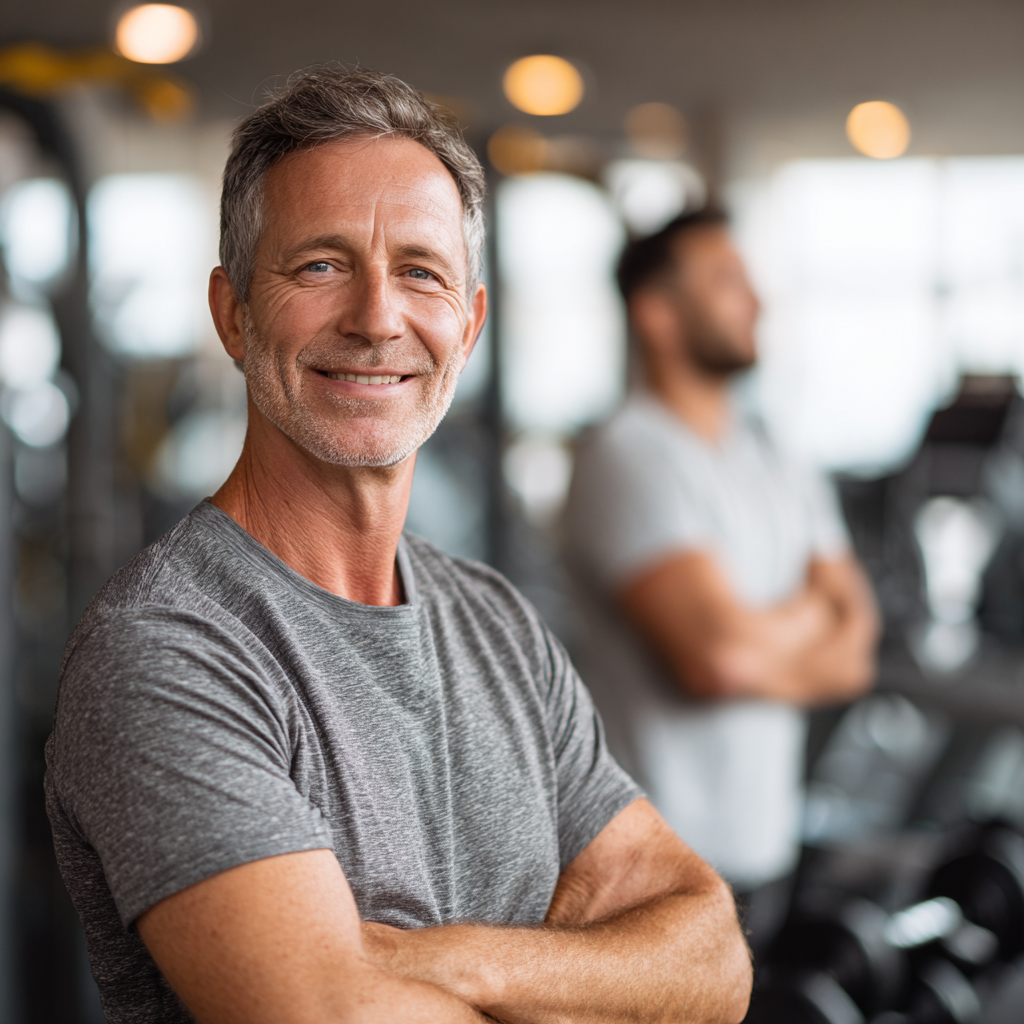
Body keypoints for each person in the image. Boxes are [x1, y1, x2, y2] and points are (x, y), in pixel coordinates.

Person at [44, 69, 751, 1024]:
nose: (378, 319)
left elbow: (710, 957)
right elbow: (328, 1014)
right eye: (321, 266)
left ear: (470, 323)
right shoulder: (168, 652)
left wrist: (444, 965)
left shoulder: (499, 624)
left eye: (421, 270)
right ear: (233, 314)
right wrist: (591, 978)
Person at [563, 208, 879, 938]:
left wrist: (752, 638)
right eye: (727, 281)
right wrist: (804, 616)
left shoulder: (775, 456)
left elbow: (856, 645)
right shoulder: (627, 453)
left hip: (764, 850)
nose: (759, 303)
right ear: (657, 314)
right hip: (651, 866)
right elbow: (713, 660)